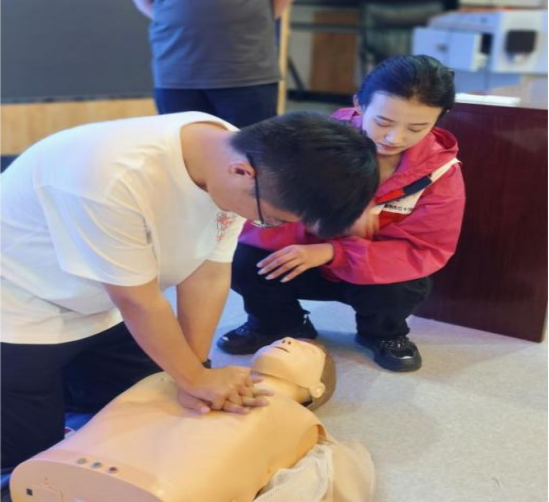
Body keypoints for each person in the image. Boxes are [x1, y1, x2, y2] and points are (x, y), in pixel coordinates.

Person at [0, 111, 379, 471]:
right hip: (19, 304)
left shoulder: (242, 158)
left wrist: (196, 371)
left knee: (149, 412)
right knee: (25, 461)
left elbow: (208, 274)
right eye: (272, 219)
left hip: (103, 303)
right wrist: (194, 379)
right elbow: (137, 300)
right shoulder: (110, 176)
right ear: (242, 172)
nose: (262, 224)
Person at [219, 55, 467, 373]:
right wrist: (318, 219)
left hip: (369, 274)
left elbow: (425, 248)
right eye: (383, 122)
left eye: (417, 128)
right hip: (302, 259)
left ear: (440, 119)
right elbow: (264, 209)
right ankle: (276, 324)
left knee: (402, 286)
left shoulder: (440, 173)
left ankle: (383, 334)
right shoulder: (313, 143)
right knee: (245, 259)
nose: (395, 138)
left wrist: (334, 251)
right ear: (359, 105)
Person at [11, 339, 375, 502]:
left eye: (305, 348)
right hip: (93, 459)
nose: (288, 341)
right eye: (286, 339)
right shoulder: (186, 376)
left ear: (316, 388)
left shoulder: (299, 420)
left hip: (171, 485)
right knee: (152, 392)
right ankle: (78, 460)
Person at [123, 0, 303, 126]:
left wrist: (255, 22)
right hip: (176, 71)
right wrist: (180, 22)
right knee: (182, 148)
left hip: (246, 68)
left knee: (250, 148)